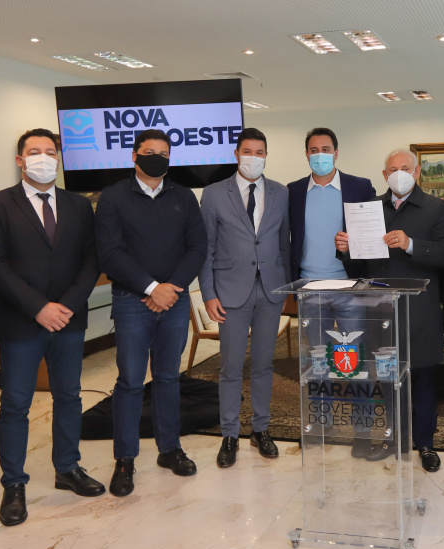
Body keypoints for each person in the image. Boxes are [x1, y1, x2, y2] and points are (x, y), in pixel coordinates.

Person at [0, 128, 104, 527]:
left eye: (51, 152)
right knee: (15, 405)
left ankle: (68, 468)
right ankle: (14, 484)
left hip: (69, 319)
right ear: (20, 160)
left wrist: (66, 306)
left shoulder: (79, 205)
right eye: (35, 152)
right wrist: (38, 308)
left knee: (69, 396)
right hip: (20, 321)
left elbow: (91, 259)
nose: (44, 158)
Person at [95, 129, 207, 497]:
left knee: (168, 377)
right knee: (130, 381)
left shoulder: (184, 196)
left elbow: (197, 247)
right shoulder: (113, 197)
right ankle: (125, 459)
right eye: (149, 152)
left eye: (163, 153)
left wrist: (171, 287)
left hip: (174, 300)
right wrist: (150, 288)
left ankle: (169, 449)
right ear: (134, 156)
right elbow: (109, 253)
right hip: (132, 301)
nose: (156, 158)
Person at [336, 148, 444, 472]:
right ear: (384, 175)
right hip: (379, 310)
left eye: (405, 168)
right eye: (392, 169)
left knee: (422, 379)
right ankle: (392, 439)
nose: (399, 173)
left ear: (417, 172)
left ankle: (425, 443)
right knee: (386, 379)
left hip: (420, 310)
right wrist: (345, 250)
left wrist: (410, 244)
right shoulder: (370, 209)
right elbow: (358, 268)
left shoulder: (437, 208)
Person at [199, 128, 290, 468]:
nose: (254, 157)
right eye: (248, 151)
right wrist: (208, 294)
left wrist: (285, 288)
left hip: (270, 290)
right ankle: (230, 434)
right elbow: (206, 248)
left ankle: (261, 429)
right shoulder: (213, 193)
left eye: (260, 152)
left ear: (266, 155)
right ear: (236, 154)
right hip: (229, 291)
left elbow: (284, 244)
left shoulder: (280, 192)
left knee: (264, 364)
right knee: (231, 367)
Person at [286, 128, 376, 457]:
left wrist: (353, 246)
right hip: (310, 289)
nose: (320, 155)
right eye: (314, 149)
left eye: (326, 149)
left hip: (349, 288)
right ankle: (321, 425)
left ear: (336, 153)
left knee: (355, 363)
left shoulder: (359, 187)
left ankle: (363, 431)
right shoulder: (293, 191)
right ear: (306, 154)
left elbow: (371, 235)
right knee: (317, 363)